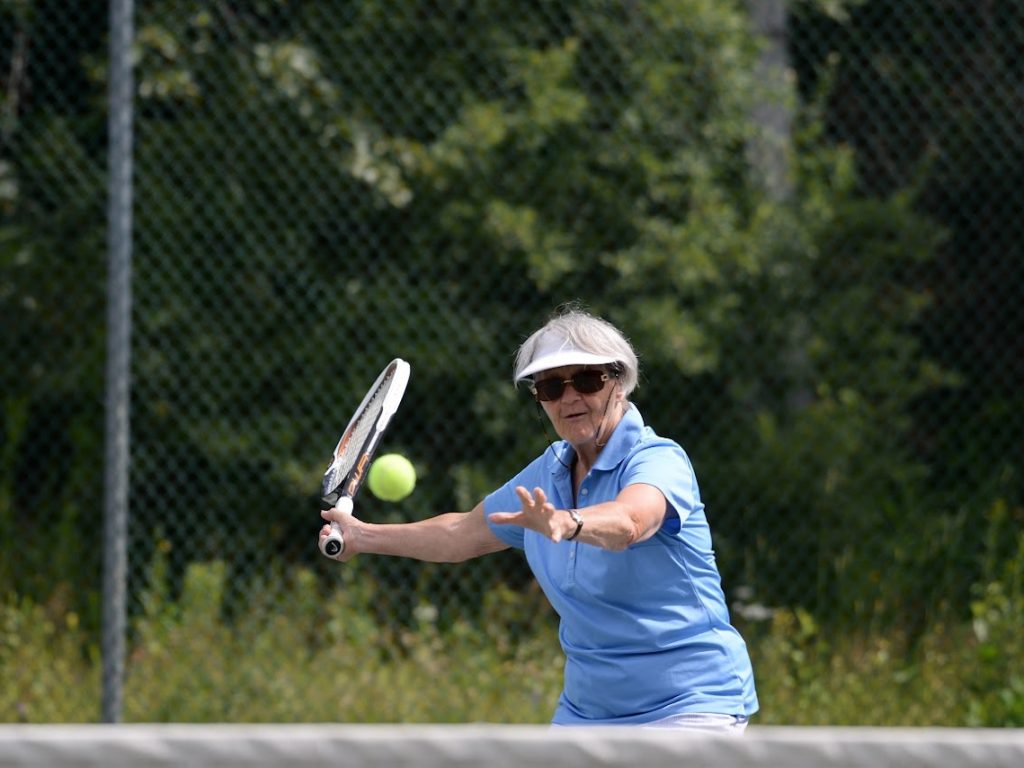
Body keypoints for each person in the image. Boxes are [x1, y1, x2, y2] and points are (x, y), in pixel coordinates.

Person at [320, 306, 758, 731]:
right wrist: (362, 536)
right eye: (550, 387)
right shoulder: (547, 472)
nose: (569, 397)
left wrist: (569, 523)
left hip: (689, 704)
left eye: (586, 380)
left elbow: (629, 522)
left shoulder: (658, 460)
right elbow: (460, 534)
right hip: (588, 712)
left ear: (619, 382)